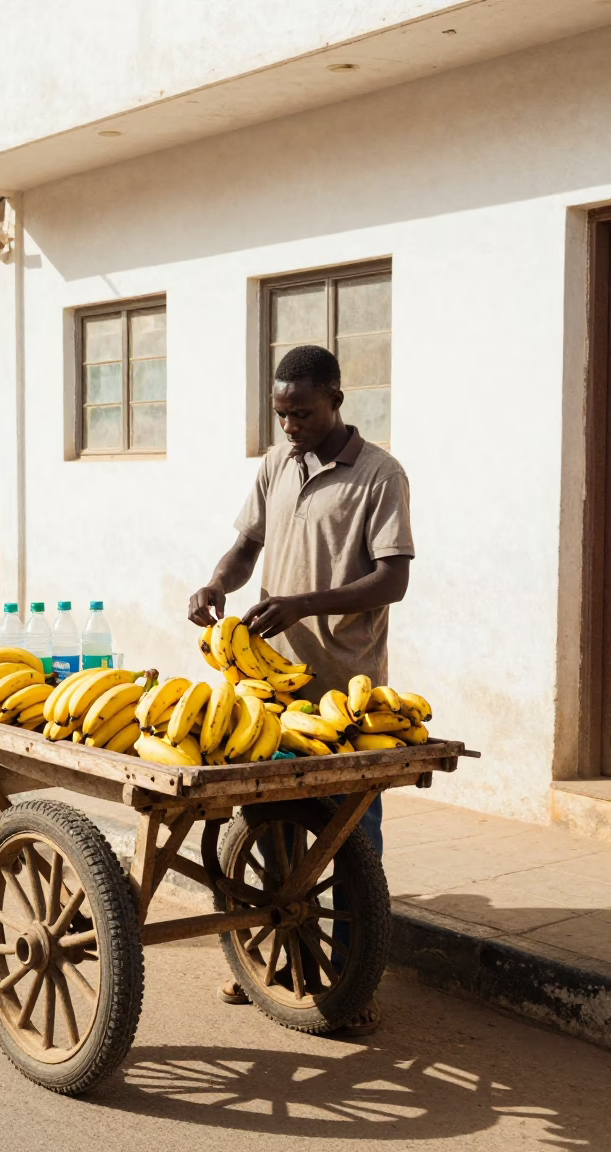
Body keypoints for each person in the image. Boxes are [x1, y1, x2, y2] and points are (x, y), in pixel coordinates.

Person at [188, 343, 414, 1036]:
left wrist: (302, 605)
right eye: (282, 413)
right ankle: (263, 960)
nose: (290, 425)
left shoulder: (379, 475)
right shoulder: (275, 463)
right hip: (267, 687)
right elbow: (248, 544)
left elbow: (393, 578)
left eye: (303, 413)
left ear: (337, 400)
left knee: (351, 838)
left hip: (343, 692)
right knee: (270, 830)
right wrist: (216, 584)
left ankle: (351, 980)